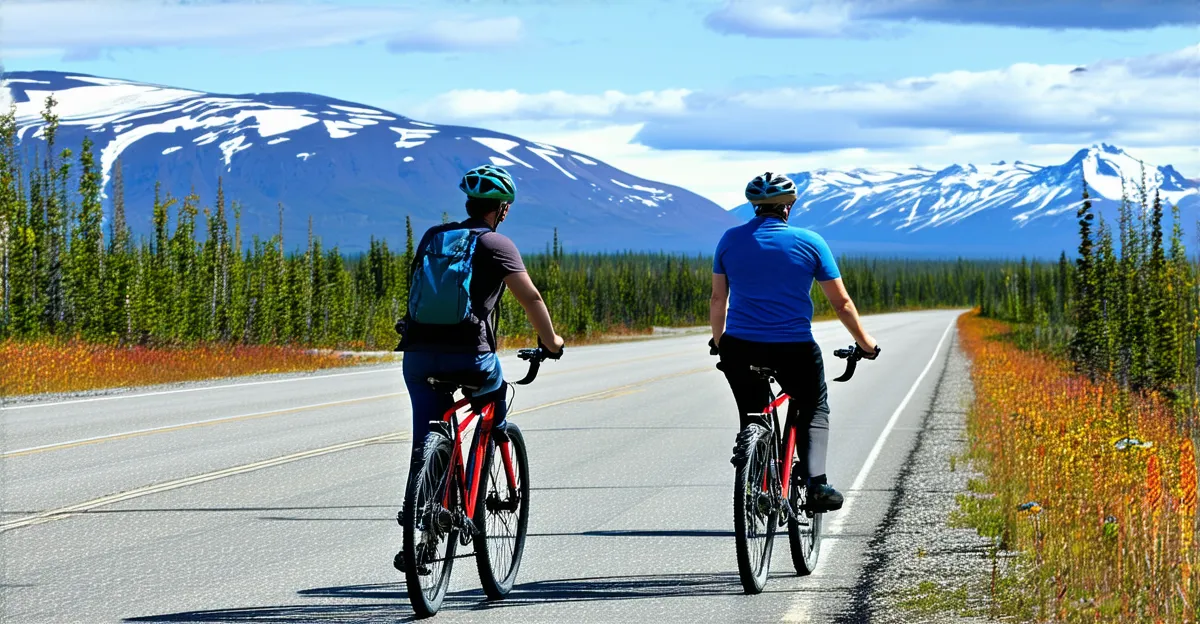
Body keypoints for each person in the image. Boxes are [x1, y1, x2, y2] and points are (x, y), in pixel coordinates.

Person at [709, 172, 879, 512]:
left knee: (753, 411)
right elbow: (841, 303)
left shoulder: (729, 240)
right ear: (789, 207)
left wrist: (719, 341)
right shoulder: (810, 241)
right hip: (794, 347)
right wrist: (866, 343)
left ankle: (754, 470)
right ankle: (817, 484)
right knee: (814, 405)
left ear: (754, 206)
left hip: (740, 346)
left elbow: (718, 299)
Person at [397, 164, 565, 462]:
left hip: (418, 354)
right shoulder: (496, 243)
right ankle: (475, 503)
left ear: (468, 203)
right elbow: (531, 298)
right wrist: (552, 342)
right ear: (502, 209)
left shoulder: (434, 236)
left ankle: (418, 504)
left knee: (424, 438)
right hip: (471, 355)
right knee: (494, 402)